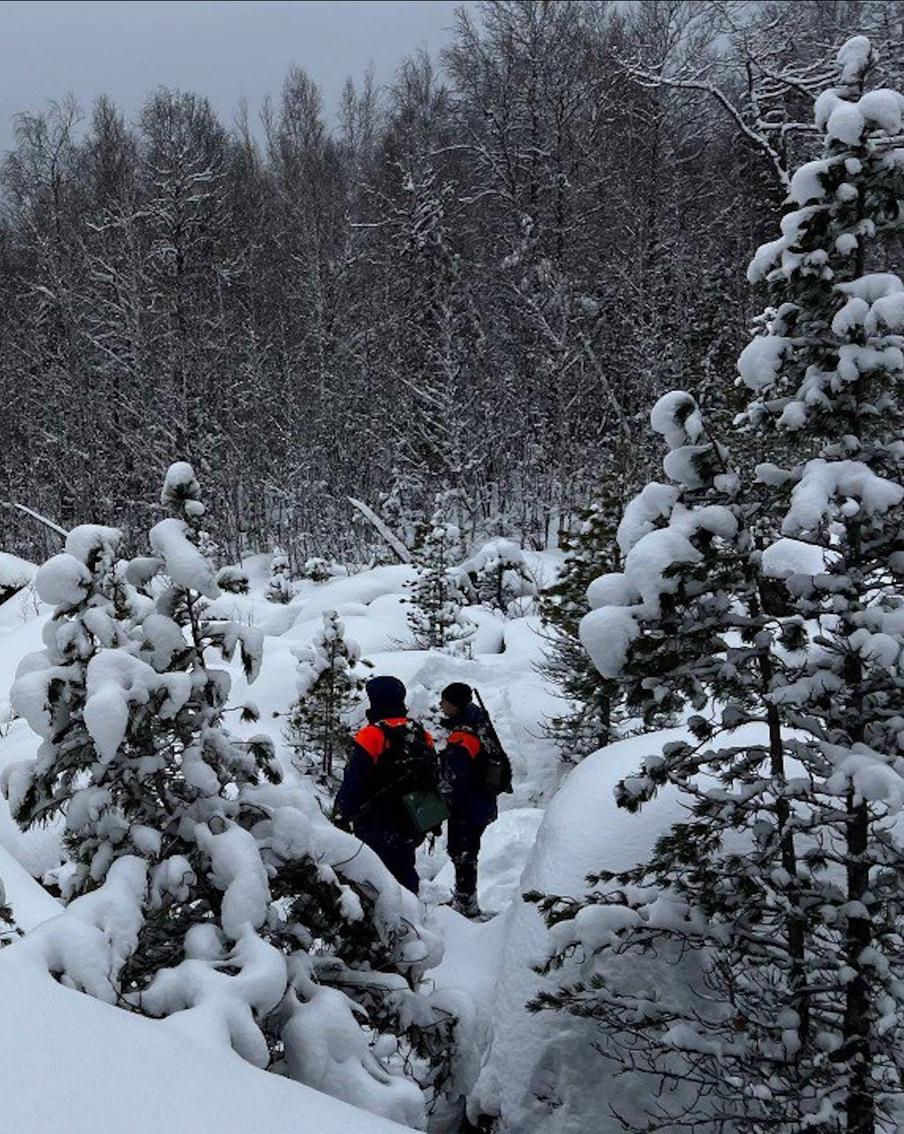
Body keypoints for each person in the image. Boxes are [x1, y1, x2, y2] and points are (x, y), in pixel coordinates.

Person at [334, 675, 436, 894]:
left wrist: (342, 813)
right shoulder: (420, 732)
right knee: (405, 867)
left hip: (377, 819)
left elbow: (355, 780)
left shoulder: (372, 735)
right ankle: (412, 917)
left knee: (375, 876)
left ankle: (385, 921)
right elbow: (432, 776)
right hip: (413, 816)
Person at [438, 682, 499, 918]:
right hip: (481, 801)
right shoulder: (478, 722)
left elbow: (456, 779)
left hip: (468, 806)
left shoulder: (463, 736)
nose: (441, 705)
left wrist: (443, 803)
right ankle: (465, 899)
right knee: (467, 851)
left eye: (444, 701)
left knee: (462, 852)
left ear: (455, 704)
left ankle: (465, 903)